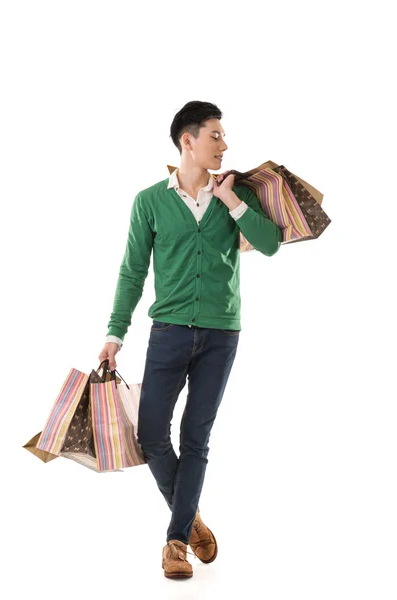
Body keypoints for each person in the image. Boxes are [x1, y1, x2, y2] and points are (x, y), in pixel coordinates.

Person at [98, 100, 282, 579]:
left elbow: (269, 243)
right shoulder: (150, 201)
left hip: (222, 334)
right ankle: (190, 514)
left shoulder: (235, 195)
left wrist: (233, 203)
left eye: (223, 136)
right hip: (169, 332)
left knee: (195, 437)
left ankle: (174, 543)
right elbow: (133, 271)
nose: (224, 145)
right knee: (151, 434)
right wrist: (115, 333)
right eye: (216, 136)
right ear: (188, 140)